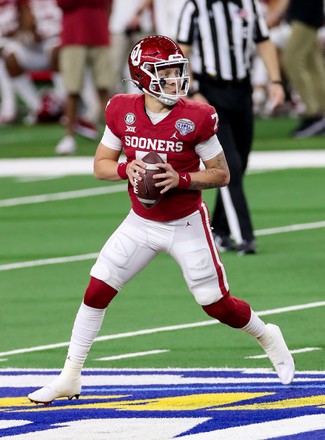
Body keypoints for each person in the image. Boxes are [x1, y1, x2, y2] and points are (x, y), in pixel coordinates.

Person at [28, 35, 294, 405]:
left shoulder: (196, 116)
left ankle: (267, 335)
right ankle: (70, 376)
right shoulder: (122, 109)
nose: (174, 79)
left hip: (186, 223)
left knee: (216, 304)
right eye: (164, 72)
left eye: (176, 71)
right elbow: (101, 166)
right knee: (96, 290)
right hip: (141, 222)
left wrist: (181, 178)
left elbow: (221, 174)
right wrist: (127, 168)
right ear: (142, 76)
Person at [176, 0, 286, 255]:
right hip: (211, 92)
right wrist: (192, 90)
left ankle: (220, 232)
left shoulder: (247, 4)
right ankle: (244, 236)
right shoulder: (195, 6)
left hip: (242, 90)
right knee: (230, 165)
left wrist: (276, 80)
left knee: (242, 162)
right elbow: (181, 51)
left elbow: (263, 40)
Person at [54, 0, 113, 155]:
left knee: (104, 88)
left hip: (99, 33)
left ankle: (113, 138)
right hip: (73, 36)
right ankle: (69, 137)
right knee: (72, 90)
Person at [282, 0, 325, 138]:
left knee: (292, 59)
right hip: (308, 13)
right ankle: (321, 112)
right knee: (314, 66)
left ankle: (313, 114)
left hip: (306, 14)